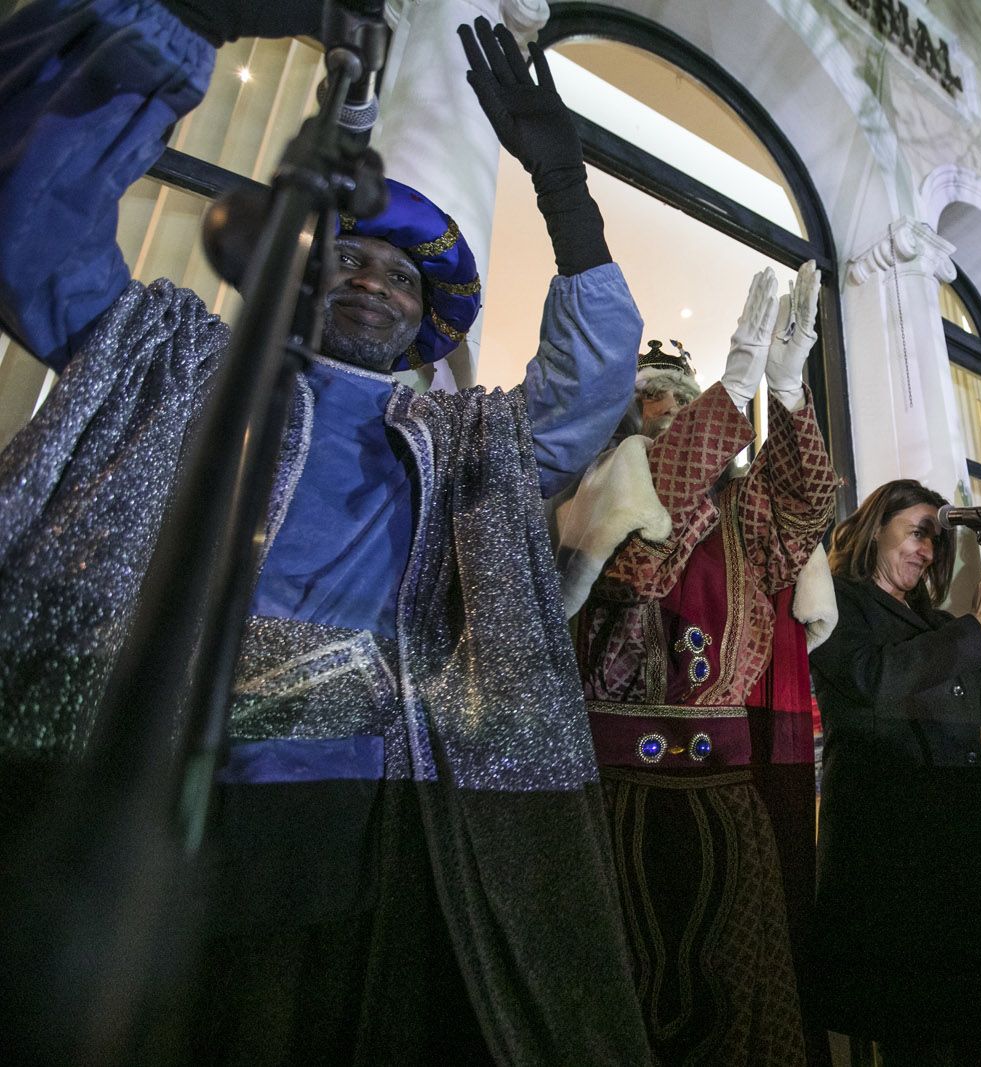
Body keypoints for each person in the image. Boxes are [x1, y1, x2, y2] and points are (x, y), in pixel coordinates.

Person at [0, 3, 649, 1062]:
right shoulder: (173, 358)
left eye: (401, 277)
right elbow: (32, 222)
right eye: (350, 258)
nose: (374, 280)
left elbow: (588, 389)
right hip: (136, 780)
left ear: (420, 322)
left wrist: (566, 197)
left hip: (353, 810)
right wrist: (193, 23)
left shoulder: (461, 435)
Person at [564, 264, 839, 1065]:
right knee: (622, 1000)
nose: (682, 414)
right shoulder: (600, 485)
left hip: (726, 795)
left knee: (740, 1005)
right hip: (618, 796)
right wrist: (730, 396)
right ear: (631, 412)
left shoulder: (741, 503)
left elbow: (804, 507)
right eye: (664, 402)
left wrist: (783, 398)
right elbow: (641, 561)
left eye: (694, 402)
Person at [806, 479, 981, 1067]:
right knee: (922, 1034)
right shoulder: (837, 601)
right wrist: (977, 627)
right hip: (896, 842)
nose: (927, 551)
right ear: (875, 527)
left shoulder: (933, 620)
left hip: (963, 845)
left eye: (937, 543)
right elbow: (874, 682)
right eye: (918, 532)